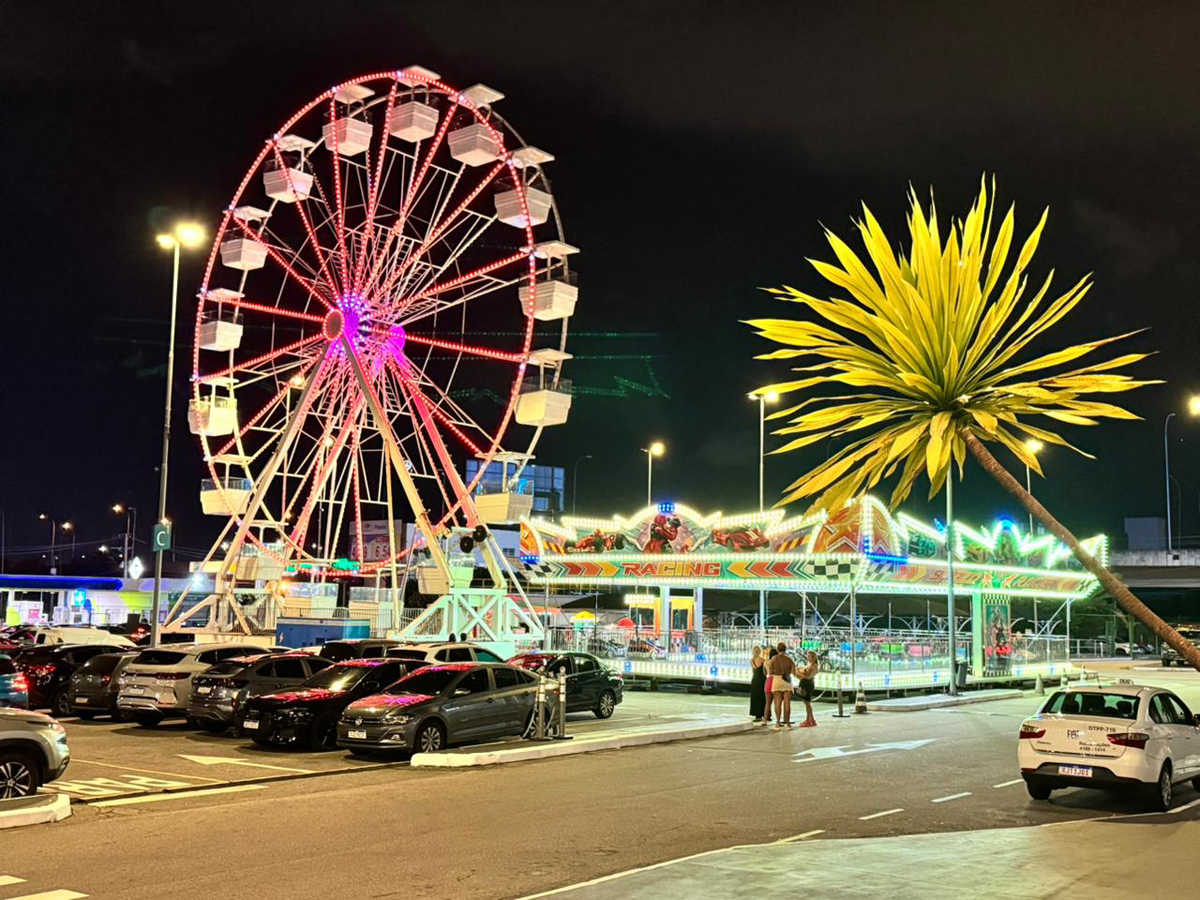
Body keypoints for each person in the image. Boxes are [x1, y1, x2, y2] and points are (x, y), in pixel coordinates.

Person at [768, 642, 795, 728]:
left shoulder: (774, 658)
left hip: (777, 680)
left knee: (777, 702)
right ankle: (788, 723)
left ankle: (778, 722)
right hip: (787, 681)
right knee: (787, 703)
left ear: (777, 649)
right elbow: (793, 672)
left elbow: (770, 672)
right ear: (785, 649)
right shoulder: (790, 659)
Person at [797, 650, 819, 727]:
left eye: (809, 656)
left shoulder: (813, 666)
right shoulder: (811, 665)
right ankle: (811, 719)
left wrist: (799, 673)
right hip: (805, 684)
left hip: (807, 685)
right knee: (806, 703)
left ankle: (809, 720)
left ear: (813, 657)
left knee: (807, 703)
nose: (807, 657)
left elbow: (808, 677)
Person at [749, 646, 767, 721]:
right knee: (762, 696)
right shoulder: (763, 660)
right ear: (760, 651)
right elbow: (765, 671)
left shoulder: (751, 660)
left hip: (754, 679)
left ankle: (756, 713)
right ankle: (764, 713)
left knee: (755, 696)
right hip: (761, 679)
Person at [762, 647, 777, 725]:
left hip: (768, 680)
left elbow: (764, 673)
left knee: (768, 703)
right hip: (776, 681)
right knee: (777, 703)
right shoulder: (777, 661)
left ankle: (765, 720)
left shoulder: (766, 662)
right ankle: (778, 721)